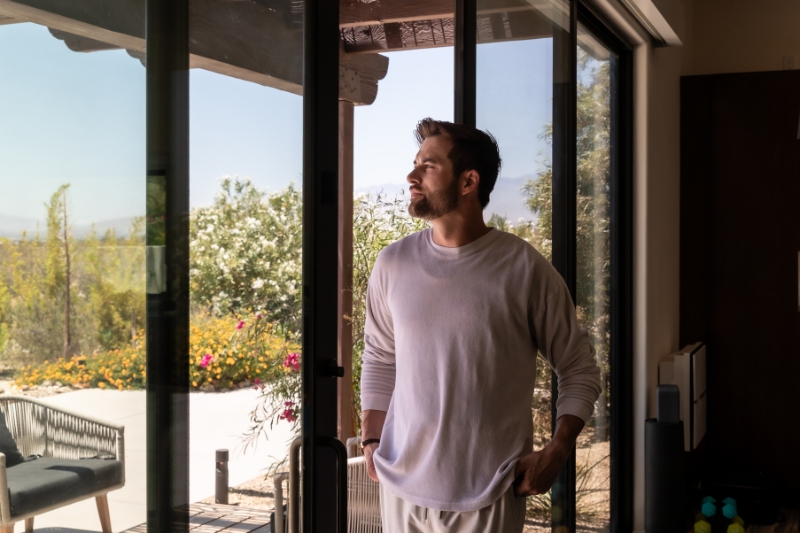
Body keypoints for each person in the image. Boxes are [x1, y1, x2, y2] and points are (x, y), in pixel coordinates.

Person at [360, 118, 602, 533]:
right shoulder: (392, 263)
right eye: (415, 163)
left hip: (489, 495)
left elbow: (579, 368)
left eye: (428, 166)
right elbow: (381, 357)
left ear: (468, 181)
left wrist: (557, 450)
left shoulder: (523, 268)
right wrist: (370, 441)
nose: (411, 175)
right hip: (399, 490)